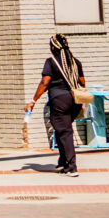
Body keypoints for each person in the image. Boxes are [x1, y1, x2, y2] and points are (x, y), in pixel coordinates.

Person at [26, 34, 87, 175]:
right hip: (75, 100)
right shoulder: (75, 62)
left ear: (53, 47)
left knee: (64, 132)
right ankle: (64, 163)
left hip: (59, 101)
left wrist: (33, 100)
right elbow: (82, 81)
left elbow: (45, 82)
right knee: (62, 130)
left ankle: (71, 167)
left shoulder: (51, 62)